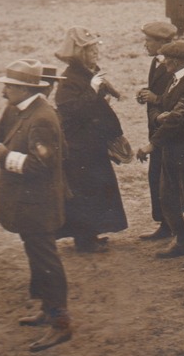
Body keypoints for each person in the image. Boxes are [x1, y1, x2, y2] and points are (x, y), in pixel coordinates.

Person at [0, 60, 72, 351]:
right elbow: (0, 136)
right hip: (25, 203)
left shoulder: (42, 119)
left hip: (38, 205)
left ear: (25, 89)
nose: (3, 93)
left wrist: (5, 156)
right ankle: (46, 309)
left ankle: (61, 323)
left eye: (8, 87)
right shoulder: (19, 109)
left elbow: (41, 166)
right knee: (36, 256)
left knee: (46, 261)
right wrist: (2, 149)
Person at [52, 27, 128, 253]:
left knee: (95, 189)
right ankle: (84, 240)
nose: (96, 52)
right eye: (90, 49)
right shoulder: (68, 79)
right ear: (79, 53)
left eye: (96, 48)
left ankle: (91, 234)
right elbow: (71, 110)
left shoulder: (86, 73)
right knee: (84, 192)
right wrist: (93, 91)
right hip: (78, 147)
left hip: (91, 145)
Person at [141, 40, 184, 271]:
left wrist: (152, 144)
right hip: (172, 152)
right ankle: (181, 241)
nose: (163, 62)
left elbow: (175, 118)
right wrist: (160, 115)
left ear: (177, 60)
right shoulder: (174, 80)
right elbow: (162, 108)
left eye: (166, 59)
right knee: (168, 197)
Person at [134, 20, 179, 241]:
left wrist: (156, 99)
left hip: (169, 132)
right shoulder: (157, 62)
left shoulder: (173, 66)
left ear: (161, 43)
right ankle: (164, 223)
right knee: (156, 177)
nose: (145, 45)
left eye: (148, 40)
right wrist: (146, 95)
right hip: (156, 129)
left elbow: (178, 100)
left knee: (168, 178)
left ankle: (174, 225)